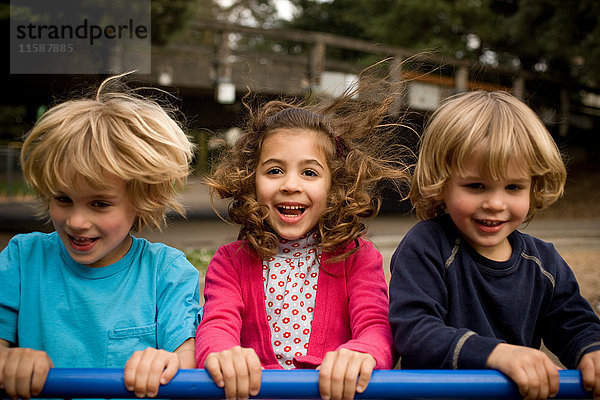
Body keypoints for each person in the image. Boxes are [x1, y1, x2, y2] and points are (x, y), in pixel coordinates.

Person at [195, 68, 410, 400]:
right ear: (251, 180)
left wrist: (363, 352)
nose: (290, 185)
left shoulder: (357, 257)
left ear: (334, 186)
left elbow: (376, 327)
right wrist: (222, 352)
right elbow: (216, 324)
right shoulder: (230, 262)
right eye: (275, 170)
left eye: (309, 172)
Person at [389, 90, 600, 400]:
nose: (496, 203)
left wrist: (591, 350)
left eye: (514, 187)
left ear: (534, 186)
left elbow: (574, 322)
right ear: (441, 183)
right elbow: (414, 332)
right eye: (476, 186)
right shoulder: (427, 246)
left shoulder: (545, 263)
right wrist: (497, 354)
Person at [0, 74, 201, 399]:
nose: (77, 221)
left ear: (142, 198)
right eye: (63, 199)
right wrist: (9, 359)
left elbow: (186, 361)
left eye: (99, 204)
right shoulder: (22, 260)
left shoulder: (166, 273)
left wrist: (167, 364)